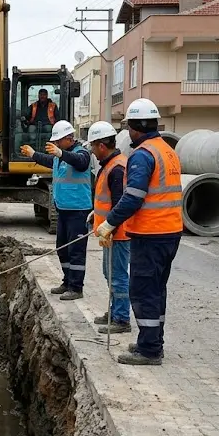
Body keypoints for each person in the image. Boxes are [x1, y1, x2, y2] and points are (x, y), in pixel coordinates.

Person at [95, 99, 182, 366]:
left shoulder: (143, 155)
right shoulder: (166, 150)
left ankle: (149, 350)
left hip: (151, 233)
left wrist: (109, 223)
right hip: (170, 232)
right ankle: (152, 341)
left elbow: (133, 196)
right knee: (157, 290)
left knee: (144, 290)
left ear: (134, 128)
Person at [20, 120, 92, 300]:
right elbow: (49, 160)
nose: (56, 144)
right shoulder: (61, 157)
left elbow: (81, 162)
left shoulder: (81, 152)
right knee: (62, 248)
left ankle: (76, 288)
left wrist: (61, 153)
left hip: (78, 211)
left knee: (76, 251)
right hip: (63, 210)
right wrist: (33, 154)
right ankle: (67, 281)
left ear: (69, 138)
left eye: (59, 141)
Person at [84, 121, 131, 334]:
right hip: (109, 231)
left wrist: (109, 227)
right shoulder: (110, 165)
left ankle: (121, 318)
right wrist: (97, 213)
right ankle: (114, 311)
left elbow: (121, 202)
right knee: (109, 272)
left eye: (93, 146)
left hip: (117, 233)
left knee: (118, 275)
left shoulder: (116, 168)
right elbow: (110, 199)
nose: (92, 151)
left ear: (102, 146)